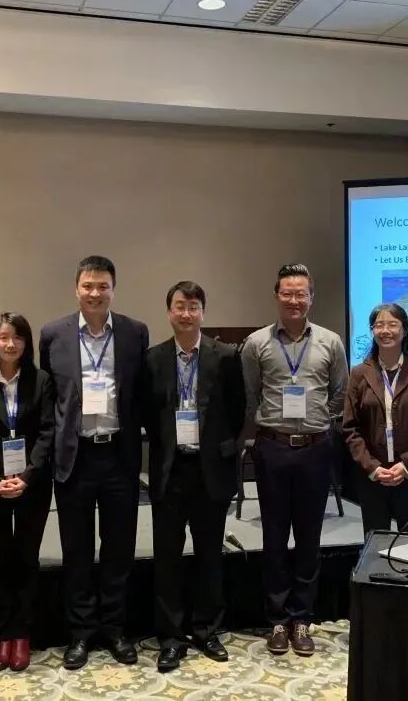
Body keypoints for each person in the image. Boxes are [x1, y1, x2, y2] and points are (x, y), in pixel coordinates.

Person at [39, 255, 149, 670]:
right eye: (88, 285)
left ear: (113, 290)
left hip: (119, 456)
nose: (95, 293)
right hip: (75, 457)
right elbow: (51, 398)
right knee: (77, 550)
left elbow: (139, 392)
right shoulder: (53, 334)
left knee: (119, 549)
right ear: (77, 288)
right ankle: (81, 632)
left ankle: (115, 629)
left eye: (103, 286)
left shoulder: (135, 332)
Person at [240, 263, 348, 657]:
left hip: (315, 448)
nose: (294, 300)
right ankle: (276, 620)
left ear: (311, 298)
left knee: (308, 537)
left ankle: (302, 618)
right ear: (276, 296)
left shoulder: (331, 342)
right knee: (273, 536)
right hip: (272, 447)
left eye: (301, 293)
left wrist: (316, 420)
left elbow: (340, 393)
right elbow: (251, 394)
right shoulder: (257, 343)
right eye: (287, 293)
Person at [142, 281, 245, 672]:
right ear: (169, 312)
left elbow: (237, 409)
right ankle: (171, 637)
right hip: (170, 470)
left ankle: (206, 629)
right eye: (180, 306)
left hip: (210, 470)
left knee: (210, 554)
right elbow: (148, 414)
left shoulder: (225, 356)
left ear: (203, 312)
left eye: (194, 307)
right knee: (167, 558)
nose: (186, 314)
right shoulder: (153, 359)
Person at [0, 313, 55, 673]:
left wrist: (28, 475)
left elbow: (48, 432)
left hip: (32, 485)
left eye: (17, 337)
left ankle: (21, 634)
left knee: (26, 558)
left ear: (26, 342)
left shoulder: (41, 381)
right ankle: (2, 634)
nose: (10, 344)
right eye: (3, 337)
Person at [342, 302, 408, 535]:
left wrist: (407, 464)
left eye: (392, 324)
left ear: (405, 330)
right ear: (372, 331)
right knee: (375, 544)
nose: (385, 330)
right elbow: (350, 428)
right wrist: (372, 467)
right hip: (372, 477)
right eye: (379, 325)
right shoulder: (359, 373)